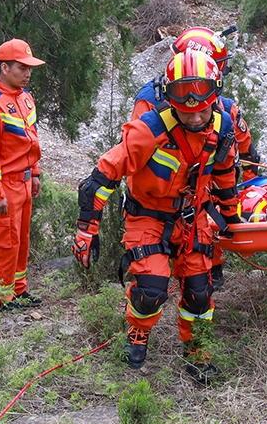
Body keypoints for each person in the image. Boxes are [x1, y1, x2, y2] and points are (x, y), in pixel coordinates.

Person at [72, 49, 239, 383]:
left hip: (192, 221)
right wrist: (87, 229)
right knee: (151, 290)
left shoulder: (223, 126)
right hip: (147, 216)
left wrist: (231, 217)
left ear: (215, 96)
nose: (194, 117)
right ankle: (137, 331)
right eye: (185, 109)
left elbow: (225, 174)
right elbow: (100, 178)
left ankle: (197, 351)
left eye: (201, 108)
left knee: (199, 292)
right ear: (169, 99)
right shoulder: (149, 129)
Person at [131, 26, 258, 291]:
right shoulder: (152, 100)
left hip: (201, 193)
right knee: (151, 289)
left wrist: (247, 178)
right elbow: (134, 154)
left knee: (199, 286)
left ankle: (210, 267)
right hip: (158, 200)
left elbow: (242, 145)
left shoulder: (223, 106)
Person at [0, 38, 46, 312]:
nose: (27, 74)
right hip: (3, 186)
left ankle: (18, 290)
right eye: (22, 68)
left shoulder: (25, 99)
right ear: (4, 68)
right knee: (2, 243)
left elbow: (31, 139)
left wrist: (35, 173)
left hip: (24, 183)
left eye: (29, 68)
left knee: (21, 240)